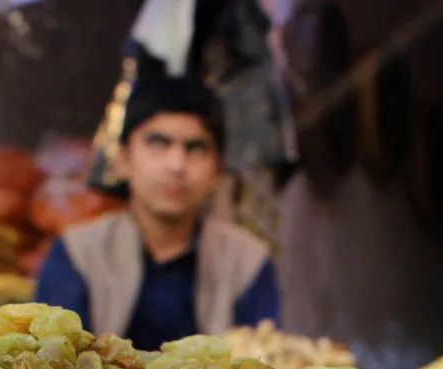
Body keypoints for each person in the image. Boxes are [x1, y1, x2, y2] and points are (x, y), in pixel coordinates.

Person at [34, 74, 278, 348]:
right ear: (123, 158)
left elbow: (265, 360)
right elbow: (55, 358)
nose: (176, 165)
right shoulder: (78, 253)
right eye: (158, 143)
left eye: (195, 148)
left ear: (216, 170)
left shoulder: (246, 261)